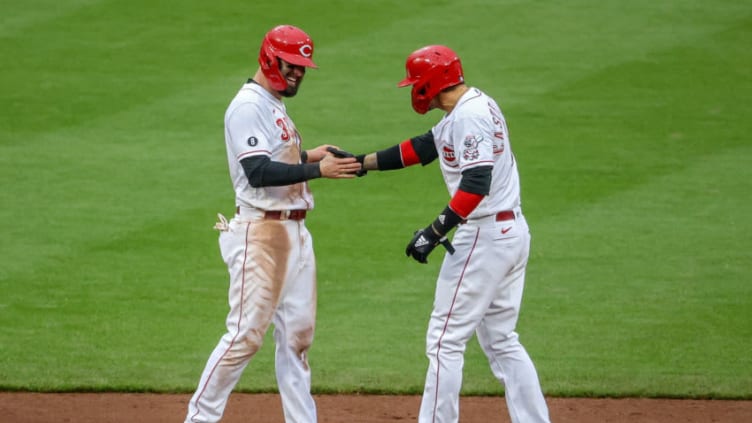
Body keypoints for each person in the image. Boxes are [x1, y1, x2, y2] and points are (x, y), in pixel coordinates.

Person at [354, 45, 552, 423]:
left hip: (485, 236)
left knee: (445, 341)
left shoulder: (469, 116)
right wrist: (363, 163)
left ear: (433, 82)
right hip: (509, 232)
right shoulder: (471, 106)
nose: (414, 90)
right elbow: (425, 147)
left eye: (417, 83)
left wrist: (435, 230)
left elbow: (476, 183)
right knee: (501, 342)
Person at [184, 25, 362, 423]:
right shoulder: (248, 105)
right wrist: (317, 168)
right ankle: (198, 419)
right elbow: (257, 172)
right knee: (245, 337)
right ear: (270, 58)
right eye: (292, 64)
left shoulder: (273, 103)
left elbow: (276, 156)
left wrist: (313, 152)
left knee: (297, 340)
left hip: (295, 233)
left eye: (303, 66)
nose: (298, 72)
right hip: (262, 236)